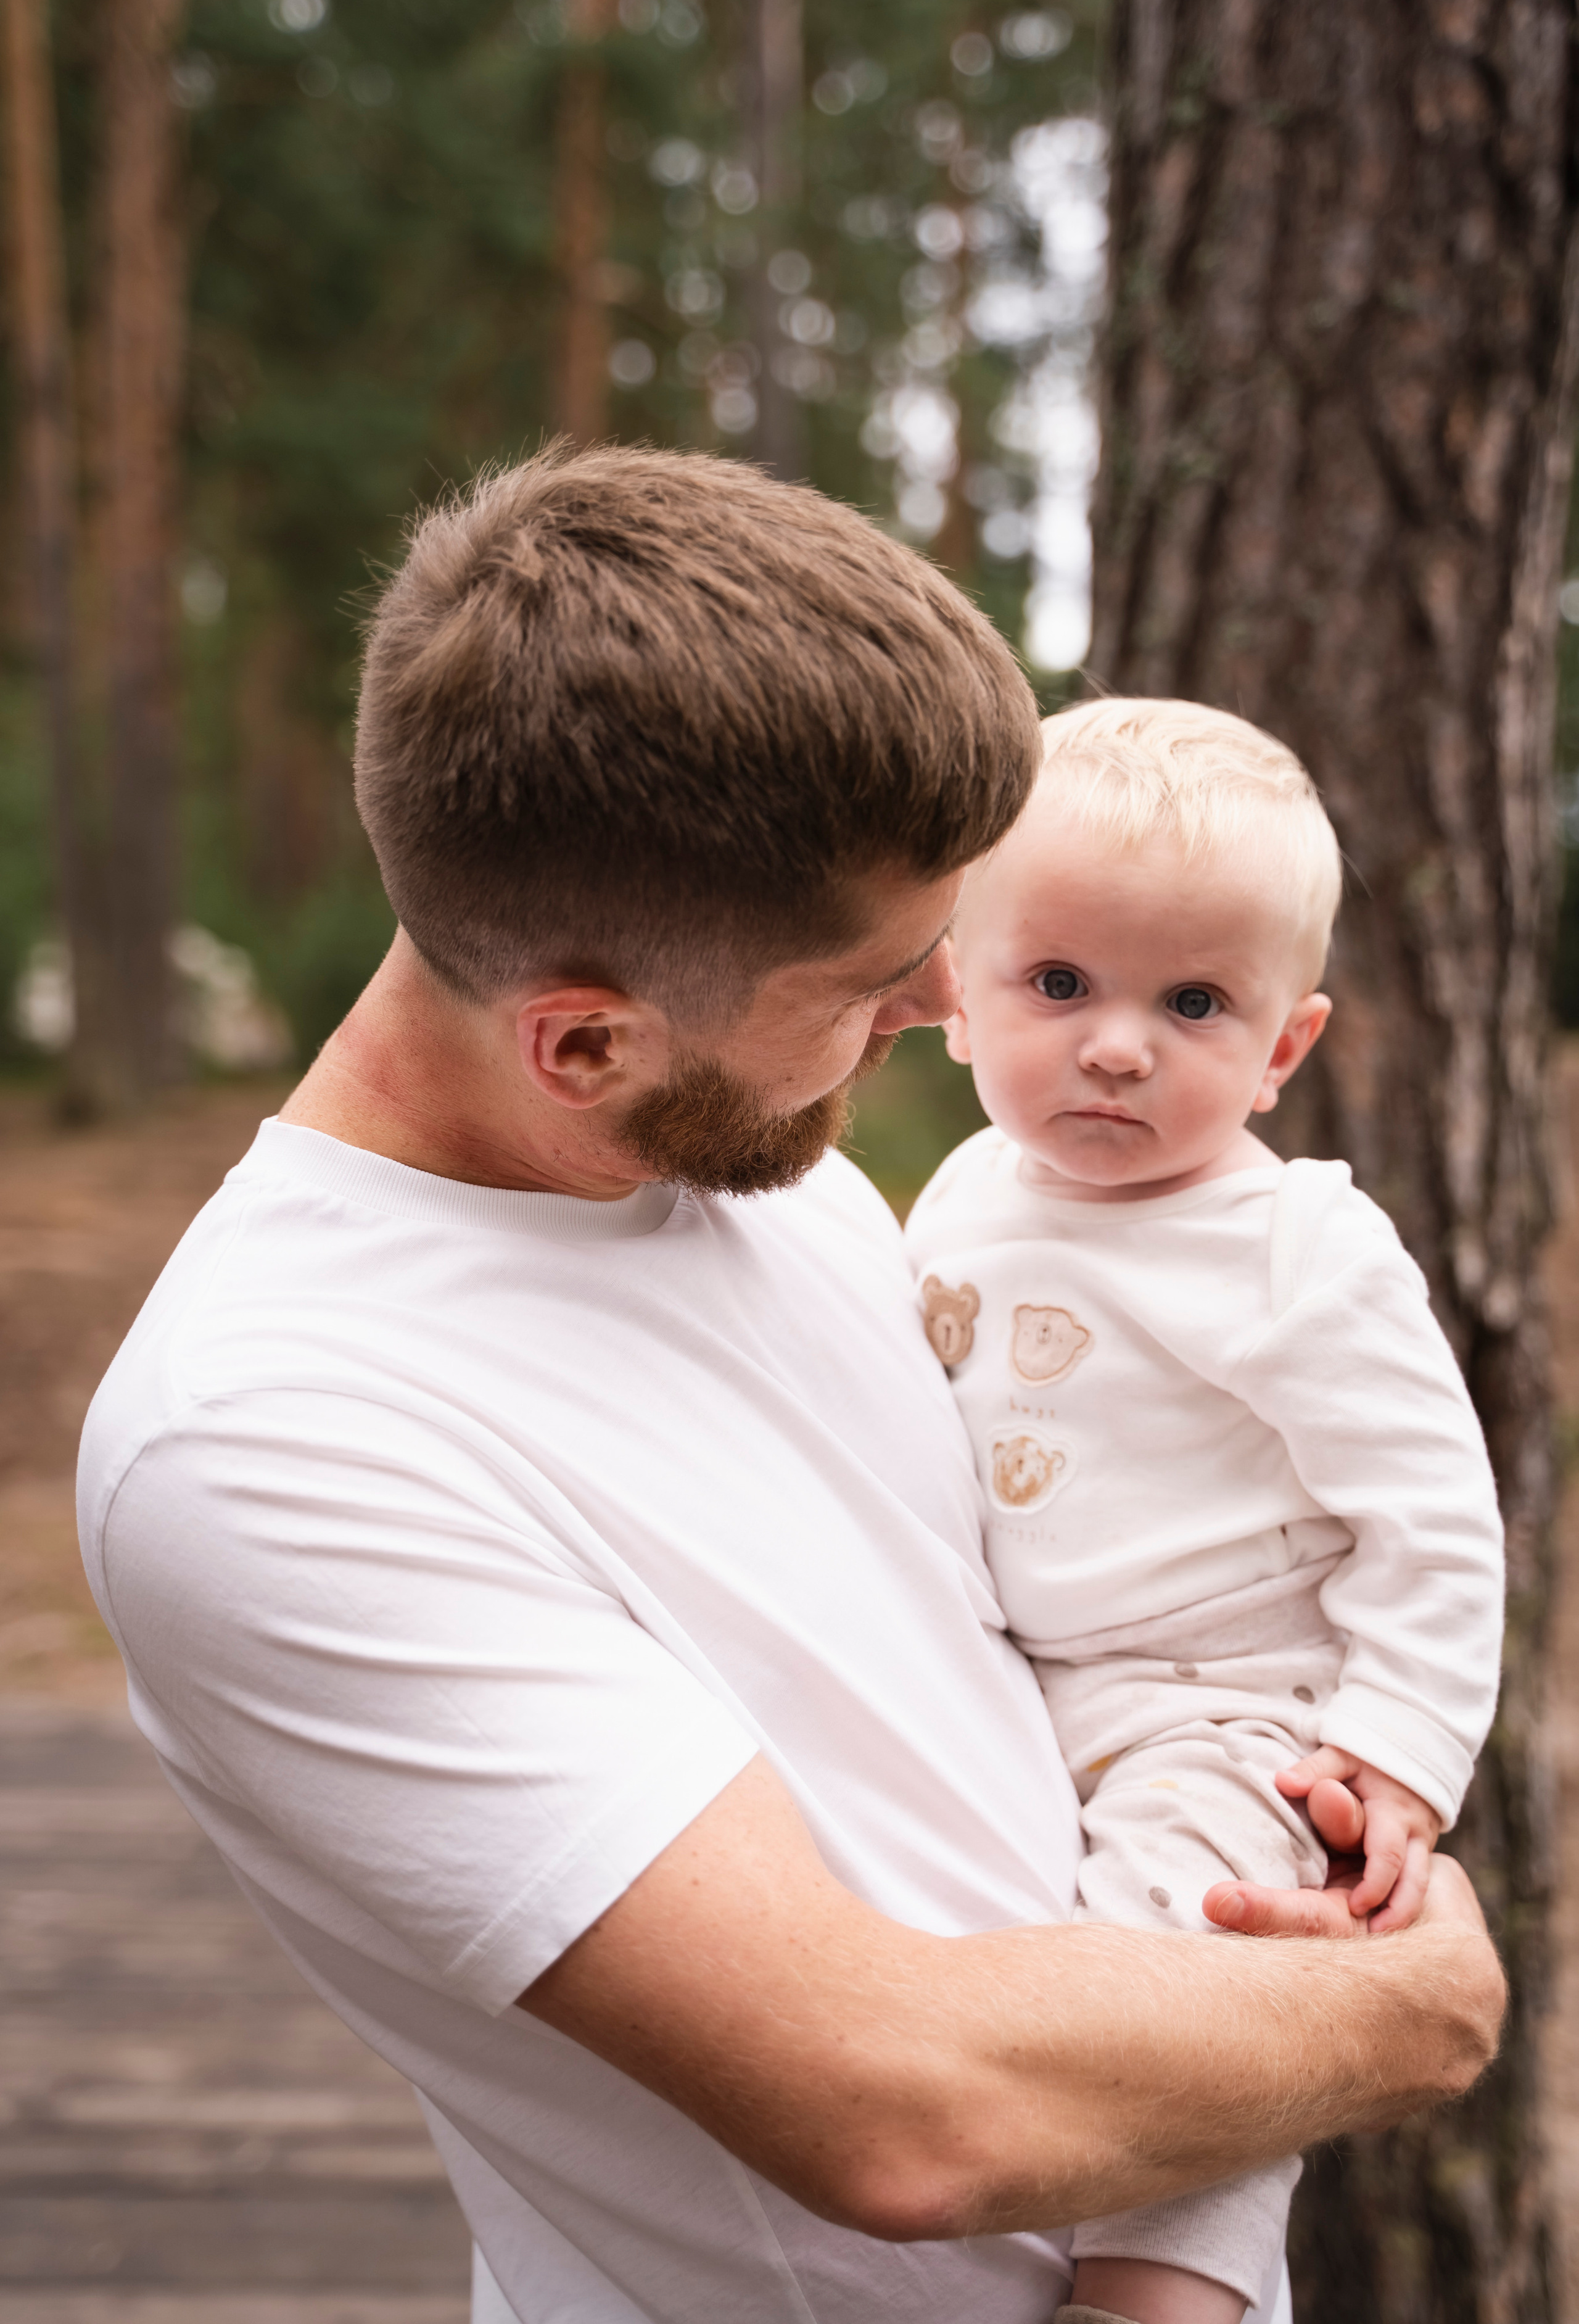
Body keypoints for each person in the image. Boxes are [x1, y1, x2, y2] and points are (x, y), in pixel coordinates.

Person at [78, 447, 1502, 2324]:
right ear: (583, 1040)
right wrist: (1405, 2011)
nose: (937, 1002)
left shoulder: (781, 1175)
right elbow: (896, 2116)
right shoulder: (269, 1438)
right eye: (871, 975)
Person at [907, 698, 1504, 2324]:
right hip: (1026, 1686)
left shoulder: (1298, 1248)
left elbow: (1433, 1512)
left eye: (1191, 1004)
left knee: (1188, 1963)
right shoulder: (962, 1193)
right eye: (1059, 985)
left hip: (1230, 1710)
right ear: (955, 994)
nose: (1116, 1045)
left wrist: (1397, 1745)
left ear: (1282, 1049)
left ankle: (1166, 2287)